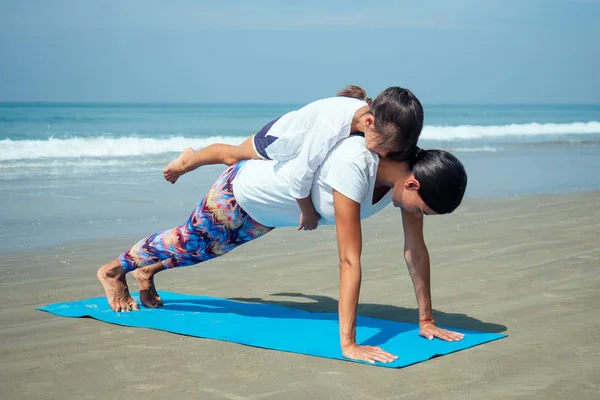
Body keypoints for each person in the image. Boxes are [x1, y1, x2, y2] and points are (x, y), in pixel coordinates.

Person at [98, 135, 467, 365]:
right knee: (186, 238)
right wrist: (349, 344)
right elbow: (349, 260)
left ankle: (147, 271)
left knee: (205, 250)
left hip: (268, 214)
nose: (415, 214)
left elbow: (415, 250)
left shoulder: (410, 181)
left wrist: (427, 320)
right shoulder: (358, 168)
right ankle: (115, 271)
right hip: (243, 190)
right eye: (420, 208)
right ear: (414, 183)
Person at [163, 85, 424, 231]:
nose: (386, 155)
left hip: (301, 136)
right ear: (369, 121)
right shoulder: (330, 130)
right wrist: (307, 212)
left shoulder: (374, 120)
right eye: (385, 148)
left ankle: (190, 159)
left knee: (234, 157)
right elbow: (299, 175)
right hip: (280, 139)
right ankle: (189, 160)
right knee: (232, 156)